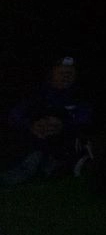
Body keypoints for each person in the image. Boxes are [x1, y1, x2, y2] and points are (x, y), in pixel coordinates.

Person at [2, 56, 94, 185]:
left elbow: (86, 120)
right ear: (52, 74)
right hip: (35, 140)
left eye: (70, 73)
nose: (66, 76)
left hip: (64, 143)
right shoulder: (37, 93)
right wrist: (32, 126)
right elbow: (14, 116)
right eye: (62, 73)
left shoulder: (79, 96)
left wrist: (63, 125)